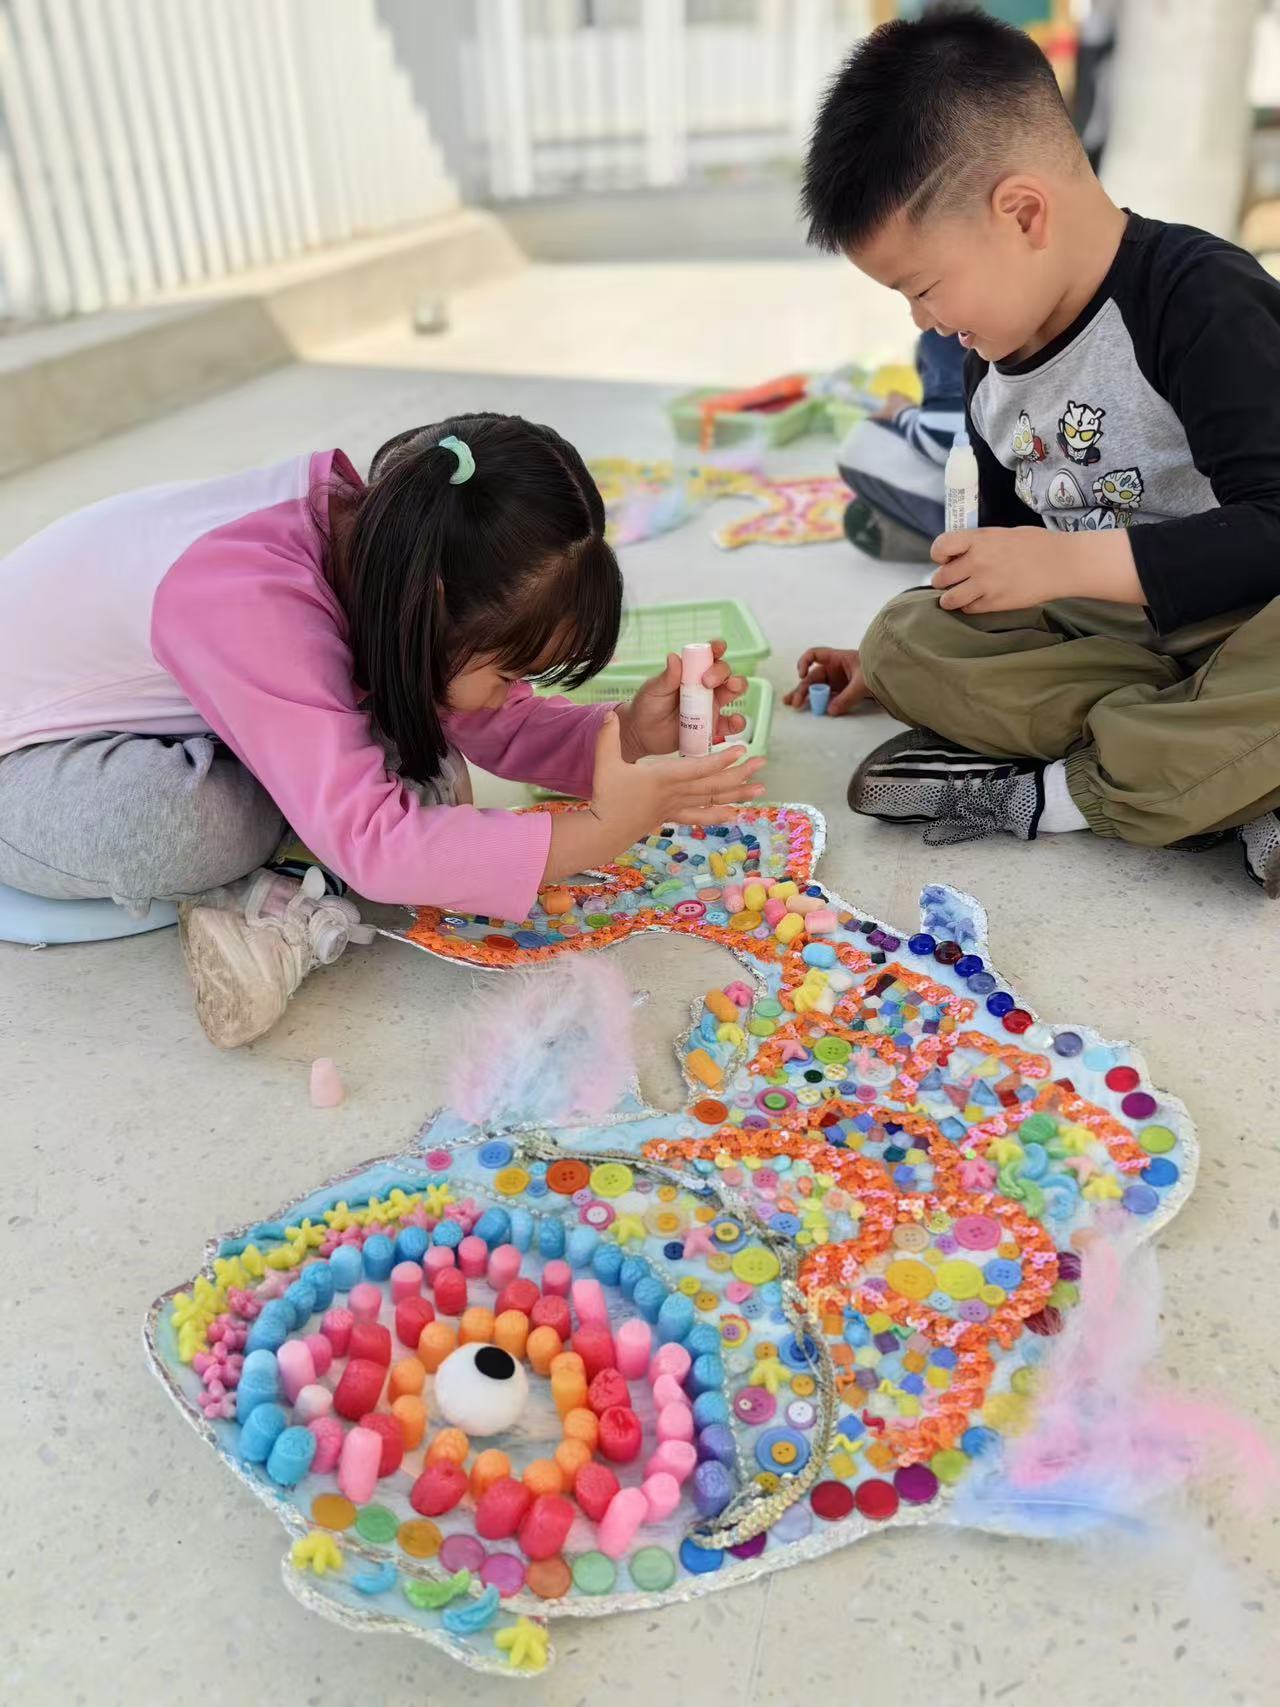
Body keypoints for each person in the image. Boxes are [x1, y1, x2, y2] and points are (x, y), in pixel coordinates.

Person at [0, 413, 763, 1045]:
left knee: (404, 721)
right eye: (509, 672)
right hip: (29, 766)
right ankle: (276, 874)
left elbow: (487, 716)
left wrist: (626, 732)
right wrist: (597, 832)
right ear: (436, 603)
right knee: (200, 824)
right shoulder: (252, 600)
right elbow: (377, 849)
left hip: (151, 716)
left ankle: (313, 823)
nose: (511, 694)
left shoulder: (396, 551)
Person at [785, 8, 1280, 895]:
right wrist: (908, 656)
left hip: (1251, 622)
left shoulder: (1200, 300)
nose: (926, 323)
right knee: (905, 638)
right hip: (1124, 641)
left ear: (1022, 212)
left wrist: (1067, 559)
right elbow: (1014, 574)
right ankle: (1217, 773)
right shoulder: (991, 367)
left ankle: (1057, 795)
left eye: (924, 288)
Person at [837, 326, 967, 562]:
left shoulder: (946, 332)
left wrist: (901, 412)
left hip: (1008, 515)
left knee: (861, 443)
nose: (916, 317)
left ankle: (963, 548)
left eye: (920, 295)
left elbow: (943, 440)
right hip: (1041, 498)